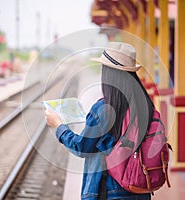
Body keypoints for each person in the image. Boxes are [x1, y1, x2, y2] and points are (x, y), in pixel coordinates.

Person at [45, 42, 155, 200]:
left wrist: (59, 126)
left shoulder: (104, 109)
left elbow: (81, 147)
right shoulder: (146, 105)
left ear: (108, 73)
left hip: (108, 191)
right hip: (140, 188)